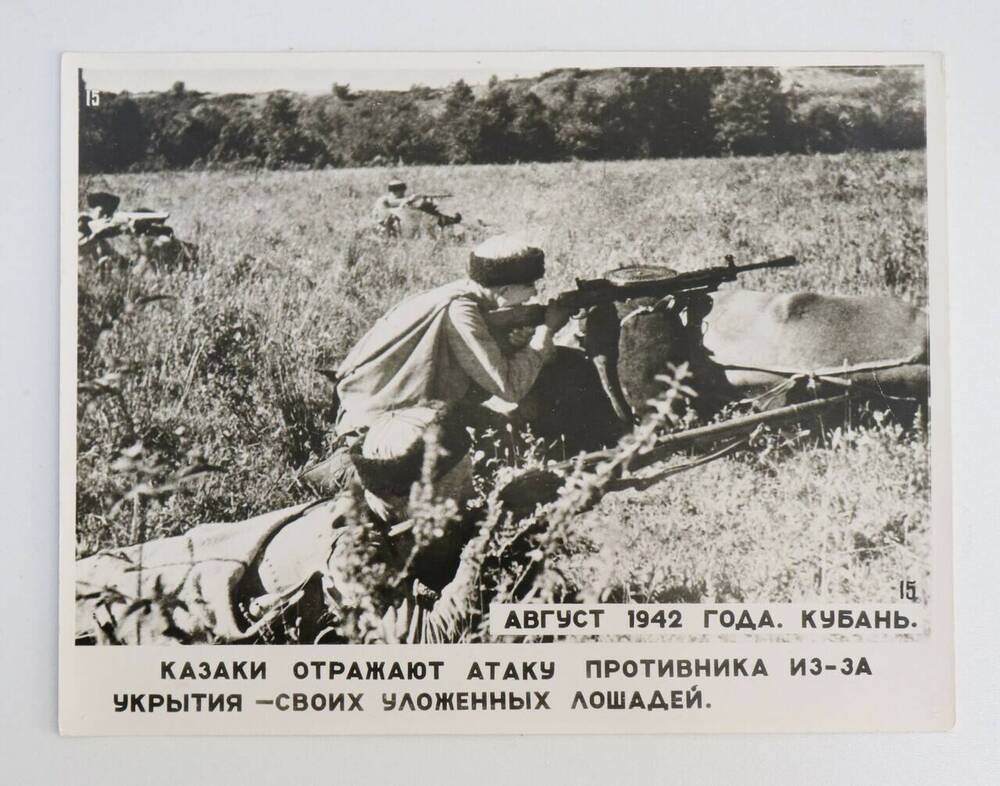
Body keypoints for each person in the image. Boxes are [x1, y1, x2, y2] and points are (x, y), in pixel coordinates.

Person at [301, 234, 572, 494]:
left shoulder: (458, 293)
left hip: (372, 405)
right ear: (503, 290)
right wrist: (546, 332)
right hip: (380, 426)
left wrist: (513, 344)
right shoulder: (461, 311)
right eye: (529, 286)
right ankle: (342, 470)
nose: (535, 292)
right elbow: (509, 388)